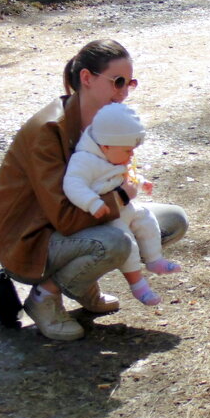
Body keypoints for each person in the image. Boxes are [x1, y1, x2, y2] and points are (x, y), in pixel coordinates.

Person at [0, 39, 188, 341]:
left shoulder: (104, 122)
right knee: (117, 241)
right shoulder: (49, 129)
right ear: (86, 78)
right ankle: (44, 300)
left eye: (129, 83)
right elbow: (64, 218)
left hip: (76, 224)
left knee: (172, 220)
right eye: (117, 82)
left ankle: (84, 284)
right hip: (32, 239)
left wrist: (129, 186)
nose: (123, 92)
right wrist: (120, 197)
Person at [63, 102, 182, 306]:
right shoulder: (85, 160)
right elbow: (72, 184)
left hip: (126, 209)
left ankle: (154, 259)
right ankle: (138, 285)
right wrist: (92, 203)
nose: (131, 155)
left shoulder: (114, 155)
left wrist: (141, 182)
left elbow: (126, 174)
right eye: (128, 150)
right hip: (108, 217)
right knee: (127, 242)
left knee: (146, 217)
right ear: (106, 145)